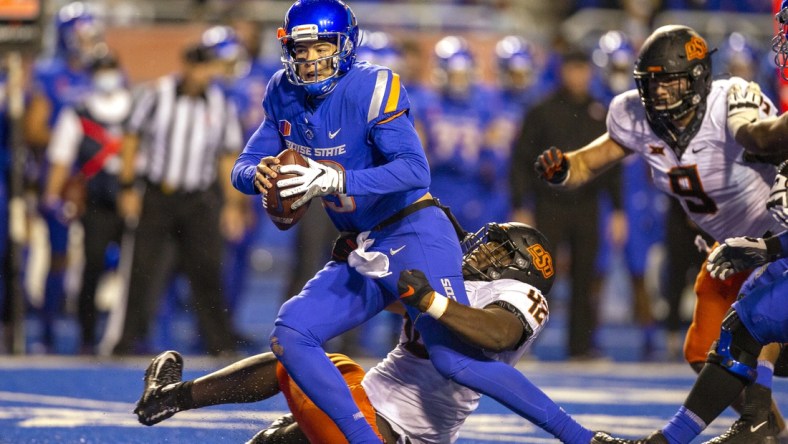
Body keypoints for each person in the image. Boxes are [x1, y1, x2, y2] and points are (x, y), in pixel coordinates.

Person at [231, 1, 618, 442]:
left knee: (454, 358)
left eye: (320, 47)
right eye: (300, 50)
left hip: (412, 227)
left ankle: (583, 438)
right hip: (362, 241)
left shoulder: (374, 86)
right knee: (291, 333)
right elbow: (241, 166)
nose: (309, 59)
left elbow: (416, 170)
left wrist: (338, 178)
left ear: (345, 46)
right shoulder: (282, 89)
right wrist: (257, 175)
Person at [134, 222, 622, 443]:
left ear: (518, 274)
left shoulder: (519, 303)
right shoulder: (455, 276)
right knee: (310, 363)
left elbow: (495, 334)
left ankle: (174, 397)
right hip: (365, 407)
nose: (480, 253)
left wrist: (430, 299)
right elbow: (386, 294)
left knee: (302, 358)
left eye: (497, 255)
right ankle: (172, 397)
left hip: (396, 433)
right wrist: (358, 258)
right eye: (486, 245)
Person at [532, 24, 786, 442]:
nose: (660, 91)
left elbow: (759, 136)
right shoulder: (635, 114)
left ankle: (753, 422)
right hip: (726, 248)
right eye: (652, 81)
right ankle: (771, 422)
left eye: (669, 80)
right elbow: (587, 163)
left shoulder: (729, 100)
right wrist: (562, 169)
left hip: (774, 237)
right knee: (702, 349)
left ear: (699, 77)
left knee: (756, 317)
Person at [112, 42, 246, 356]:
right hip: (159, 195)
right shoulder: (157, 95)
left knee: (208, 269)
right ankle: (127, 340)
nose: (201, 74)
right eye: (196, 66)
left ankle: (218, 343)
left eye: (206, 67)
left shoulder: (220, 104)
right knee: (143, 268)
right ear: (185, 66)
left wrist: (232, 204)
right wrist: (128, 186)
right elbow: (131, 140)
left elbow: (228, 157)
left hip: (199, 199)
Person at [511, 44, 624, 360]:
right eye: (572, 69)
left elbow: (611, 165)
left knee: (585, 278)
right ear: (562, 71)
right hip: (549, 203)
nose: (578, 76)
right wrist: (522, 204)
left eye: (582, 69)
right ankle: (520, 343)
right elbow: (520, 161)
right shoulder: (541, 110)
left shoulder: (600, 111)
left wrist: (617, 210)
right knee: (535, 276)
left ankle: (581, 346)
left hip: (587, 205)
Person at [24, 1, 105, 352]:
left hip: (99, 180)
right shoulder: (47, 73)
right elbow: (33, 129)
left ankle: (90, 333)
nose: (88, 40)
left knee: (101, 255)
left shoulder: (102, 71)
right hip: (61, 178)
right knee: (58, 256)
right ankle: (47, 331)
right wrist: (74, 137)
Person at [41, 53, 131, 354]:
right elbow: (61, 156)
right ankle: (87, 334)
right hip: (95, 203)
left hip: (131, 198)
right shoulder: (78, 113)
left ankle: (130, 334)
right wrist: (53, 196)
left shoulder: (137, 108)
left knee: (137, 270)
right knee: (91, 267)